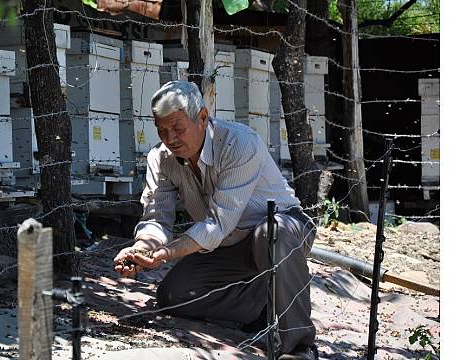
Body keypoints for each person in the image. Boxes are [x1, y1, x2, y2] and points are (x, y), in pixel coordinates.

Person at [113, 80, 318, 359]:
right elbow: (157, 218)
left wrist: (164, 254)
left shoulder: (239, 142)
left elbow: (218, 223)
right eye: (162, 131)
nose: (170, 138)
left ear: (203, 117)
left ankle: (299, 347)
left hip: (285, 232)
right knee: (174, 295)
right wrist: (141, 249)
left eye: (178, 128)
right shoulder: (160, 159)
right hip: (228, 245)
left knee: (272, 232)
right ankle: (264, 304)